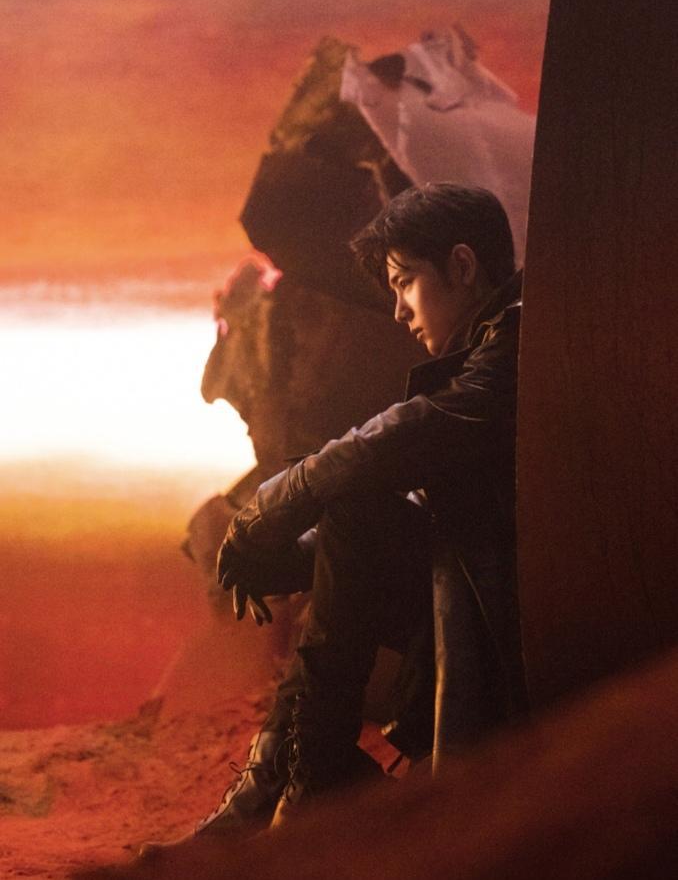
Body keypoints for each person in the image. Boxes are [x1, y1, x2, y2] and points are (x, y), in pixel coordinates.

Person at [141, 183, 527, 854]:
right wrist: (286, 555)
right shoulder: (487, 346)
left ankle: (308, 777)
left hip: (522, 622)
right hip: (473, 599)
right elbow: (410, 512)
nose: (399, 310)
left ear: (463, 266)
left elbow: (405, 434)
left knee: (354, 496)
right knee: (354, 510)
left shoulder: (519, 342)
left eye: (405, 282)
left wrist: (276, 504)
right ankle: (287, 774)